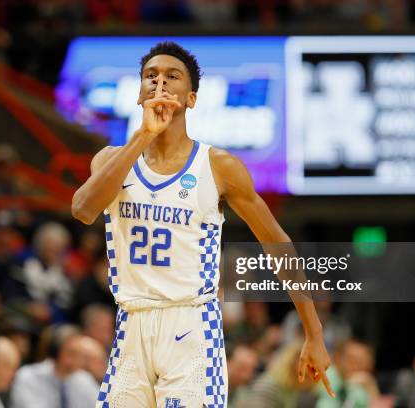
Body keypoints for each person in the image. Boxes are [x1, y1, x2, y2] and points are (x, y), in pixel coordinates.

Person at [72, 41, 334, 407]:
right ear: (138, 93)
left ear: (191, 98)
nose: (159, 83)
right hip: (131, 323)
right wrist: (142, 137)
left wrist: (313, 332)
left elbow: (277, 243)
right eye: (151, 76)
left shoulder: (218, 166)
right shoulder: (112, 160)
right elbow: (83, 209)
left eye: (172, 76)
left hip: (191, 326)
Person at [10, 325, 99, 408]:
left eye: (81, 354)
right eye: (72, 354)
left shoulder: (83, 379)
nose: (78, 361)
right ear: (55, 351)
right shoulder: (27, 376)